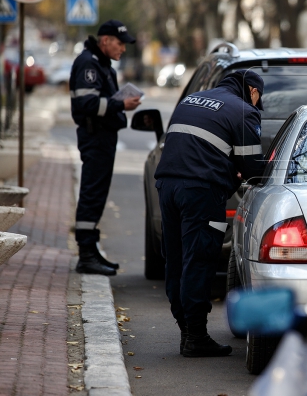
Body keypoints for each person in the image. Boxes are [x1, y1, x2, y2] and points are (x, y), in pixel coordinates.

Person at [154, 70, 266, 358]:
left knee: (176, 258)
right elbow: (253, 168)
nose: (257, 106)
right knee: (199, 258)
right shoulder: (243, 110)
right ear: (252, 91)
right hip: (201, 192)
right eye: (258, 99)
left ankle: (186, 329)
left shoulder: (192, 99)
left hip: (167, 186)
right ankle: (196, 336)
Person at [70, 20, 142, 276]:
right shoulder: (89, 63)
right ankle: (86, 255)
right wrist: (120, 105)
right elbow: (87, 103)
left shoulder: (101, 64)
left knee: (97, 195)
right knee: (92, 194)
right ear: (105, 41)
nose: (123, 49)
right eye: (120, 43)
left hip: (103, 138)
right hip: (95, 137)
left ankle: (91, 250)